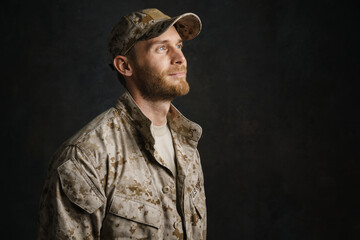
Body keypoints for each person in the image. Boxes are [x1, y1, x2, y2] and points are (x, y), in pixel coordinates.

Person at [38, 8, 206, 240]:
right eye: (161, 48)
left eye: (179, 45)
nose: (179, 58)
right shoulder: (85, 156)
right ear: (125, 66)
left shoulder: (187, 143)